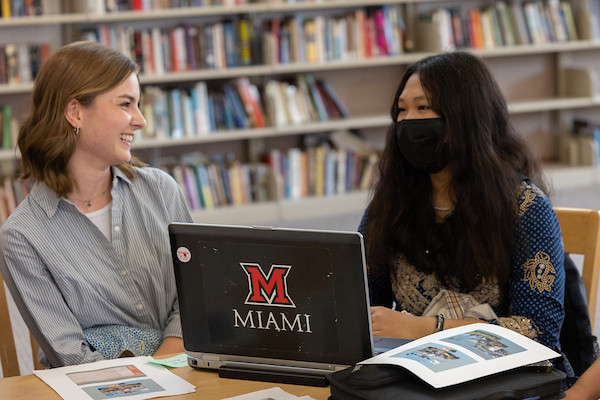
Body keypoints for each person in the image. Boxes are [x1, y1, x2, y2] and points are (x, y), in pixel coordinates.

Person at [359, 52, 566, 357]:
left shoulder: (525, 207)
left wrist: (423, 328)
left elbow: (537, 332)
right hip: (410, 371)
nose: (407, 122)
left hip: (501, 377)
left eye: (423, 107)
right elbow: (362, 303)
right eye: (401, 110)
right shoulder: (390, 203)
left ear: (466, 118)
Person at [0, 41, 193, 367]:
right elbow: (72, 356)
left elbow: (194, 297)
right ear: (75, 112)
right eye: (125, 104)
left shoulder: (162, 191)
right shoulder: (22, 235)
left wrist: (164, 370)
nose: (140, 120)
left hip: (185, 378)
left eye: (138, 104)